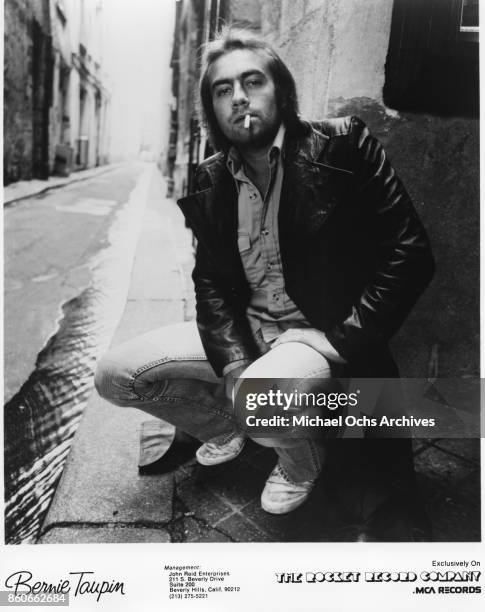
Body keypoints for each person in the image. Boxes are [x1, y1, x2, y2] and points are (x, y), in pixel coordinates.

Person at [95, 28, 434, 534]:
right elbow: (209, 280)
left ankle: (301, 464)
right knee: (115, 374)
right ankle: (232, 424)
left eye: (252, 81)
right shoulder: (210, 176)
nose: (239, 97)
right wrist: (231, 360)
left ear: (280, 90)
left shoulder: (343, 145)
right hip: (248, 332)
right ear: (212, 107)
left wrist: (341, 338)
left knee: (260, 397)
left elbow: (410, 253)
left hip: (313, 337)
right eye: (222, 89)